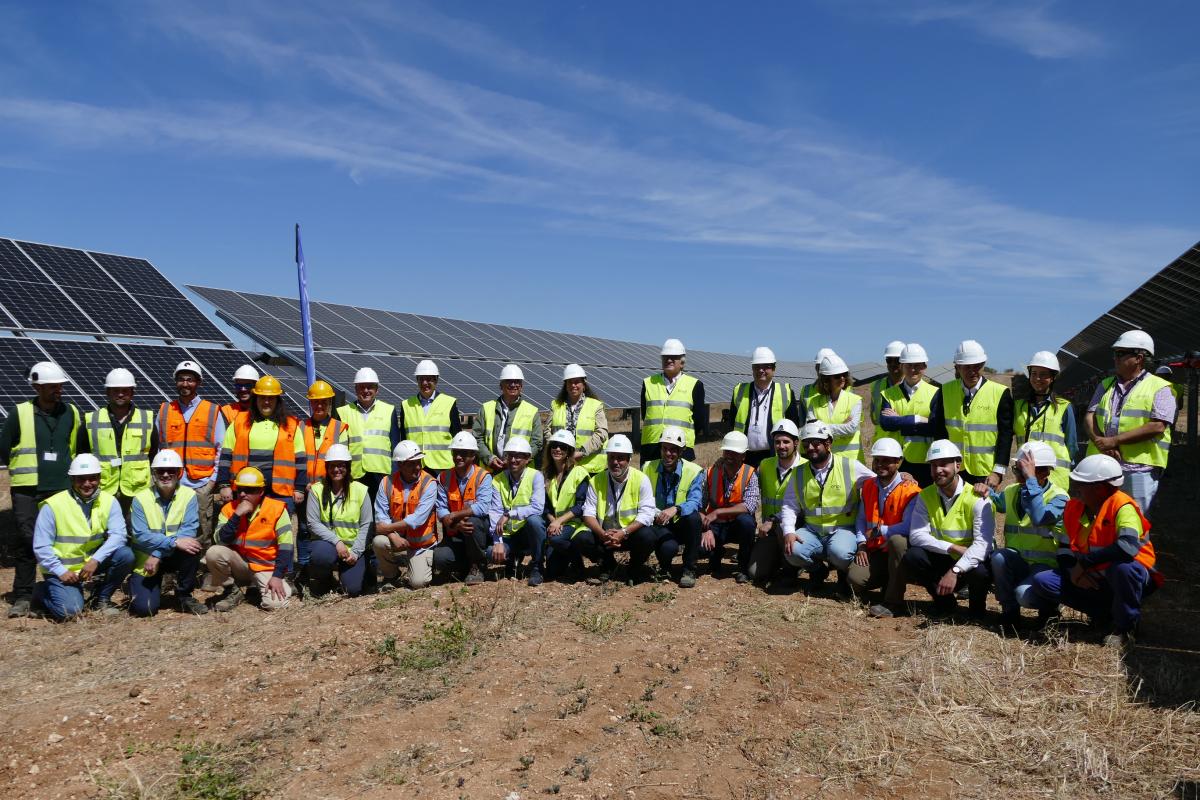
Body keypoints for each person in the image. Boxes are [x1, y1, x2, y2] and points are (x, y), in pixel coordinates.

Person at [1027, 454, 1159, 648]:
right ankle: (1103, 615)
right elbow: (1064, 549)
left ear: (1099, 488)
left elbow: (1128, 547)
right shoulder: (1073, 507)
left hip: (1130, 576)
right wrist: (1073, 571)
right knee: (1043, 581)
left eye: (1081, 483)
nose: (1075, 488)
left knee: (1123, 569)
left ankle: (1126, 627)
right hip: (1092, 577)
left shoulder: (1123, 506)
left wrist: (1084, 564)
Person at [1, 361, 88, 618]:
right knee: (28, 541)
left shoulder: (71, 412)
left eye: (59, 386)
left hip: (61, 488)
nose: (57, 390)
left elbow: (79, 448)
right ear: (37, 387)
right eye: (51, 386)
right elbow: (4, 447)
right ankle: (24, 595)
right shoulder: (21, 412)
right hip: (28, 488)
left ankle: (59, 585)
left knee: (62, 541)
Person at [30, 454, 132, 620]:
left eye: (92, 478)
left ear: (99, 478)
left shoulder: (109, 501)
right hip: (61, 569)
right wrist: (60, 571)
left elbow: (119, 535)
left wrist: (95, 560)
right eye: (81, 479)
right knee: (69, 612)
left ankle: (101, 599)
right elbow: (41, 547)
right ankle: (41, 591)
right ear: (72, 479)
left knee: (126, 555)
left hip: (89, 564)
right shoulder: (53, 506)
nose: (87, 484)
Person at [901, 439, 994, 618]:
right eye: (933, 465)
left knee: (981, 570)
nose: (938, 470)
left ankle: (977, 611)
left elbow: (983, 546)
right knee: (914, 556)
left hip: (969, 561)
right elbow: (917, 536)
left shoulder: (977, 498)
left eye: (943, 464)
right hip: (944, 557)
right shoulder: (925, 495)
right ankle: (944, 603)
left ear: (957, 465)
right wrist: (951, 547)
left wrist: (955, 570)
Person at [1084, 330, 1174, 514]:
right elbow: (1089, 416)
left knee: (1134, 525)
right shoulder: (1106, 384)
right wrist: (1100, 442)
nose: (1115, 359)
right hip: (1103, 466)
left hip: (1138, 470)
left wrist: (1114, 441)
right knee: (1101, 521)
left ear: (1139, 358)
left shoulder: (1160, 387)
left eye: (1120, 354)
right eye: (1115, 354)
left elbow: (1157, 425)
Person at [780, 422, 874, 592]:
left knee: (840, 553)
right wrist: (788, 531)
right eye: (806, 443)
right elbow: (789, 505)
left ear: (828, 443)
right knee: (791, 551)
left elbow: (878, 482)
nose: (811, 448)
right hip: (812, 531)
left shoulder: (849, 466)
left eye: (816, 443)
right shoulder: (798, 473)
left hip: (843, 530)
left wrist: (901, 476)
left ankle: (843, 575)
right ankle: (818, 571)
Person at [988, 442, 1069, 629]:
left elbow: (1040, 516)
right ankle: (1009, 613)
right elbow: (999, 503)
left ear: (1044, 473)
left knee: (1023, 594)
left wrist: (1030, 479)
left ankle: (1049, 610)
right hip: (1019, 562)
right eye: (1018, 470)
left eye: (1023, 470)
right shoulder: (1012, 491)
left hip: (1045, 569)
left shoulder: (1059, 497)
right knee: (998, 557)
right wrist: (986, 491)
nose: (1018, 476)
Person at [216, 376, 302, 549]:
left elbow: (301, 460)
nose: (266, 402)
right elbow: (226, 455)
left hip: (280, 491)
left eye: (271, 398)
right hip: (246, 490)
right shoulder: (239, 422)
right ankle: (245, 568)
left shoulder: (292, 424)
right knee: (246, 530)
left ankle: (282, 570)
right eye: (262, 397)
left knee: (280, 533)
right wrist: (224, 484)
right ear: (256, 398)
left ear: (278, 400)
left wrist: (299, 487)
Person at [128, 450, 207, 616]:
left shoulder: (189, 496)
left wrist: (158, 553)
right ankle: (140, 584)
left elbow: (189, 530)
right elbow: (141, 536)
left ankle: (184, 596)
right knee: (145, 609)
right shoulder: (140, 499)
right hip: (146, 562)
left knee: (192, 547)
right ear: (154, 473)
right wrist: (172, 542)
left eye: (171, 470)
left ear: (179, 473)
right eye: (160, 470)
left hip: (165, 555)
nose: (165, 474)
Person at [928, 340, 1014, 493]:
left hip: (985, 472)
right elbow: (940, 432)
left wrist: (998, 472)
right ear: (957, 367)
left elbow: (1005, 436)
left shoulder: (1000, 393)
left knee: (982, 515)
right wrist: (941, 464)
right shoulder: (945, 391)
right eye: (967, 367)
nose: (972, 371)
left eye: (977, 366)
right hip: (953, 470)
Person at [156, 360, 225, 548]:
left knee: (203, 530)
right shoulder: (164, 410)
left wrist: (212, 483)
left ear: (198, 383)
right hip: (172, 483)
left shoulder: (212, 410)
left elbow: (221, 449)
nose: (185, 384)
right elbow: (158, 448)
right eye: (181, 379)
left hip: (201, 483)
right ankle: (173, 571)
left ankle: (202, 569)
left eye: (190, 380)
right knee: (172, 527)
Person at [208, 467, 294, 611]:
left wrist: (277, 576)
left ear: (261, 491)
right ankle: (232, 591)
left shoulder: (277, 509)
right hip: (240, 565)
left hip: (265, 566)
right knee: (213, 553)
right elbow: (221, 540)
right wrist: (237, 516)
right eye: (240, 489)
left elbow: (286, 547)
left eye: (249, 490)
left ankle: (270, 587)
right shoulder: (229, 509)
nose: (242, 494)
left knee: (275, 605)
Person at [852, 438, 920, 618]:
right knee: (855, 580)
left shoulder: (910, 490)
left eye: (887, 461)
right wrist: (861, 544)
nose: (880, 464)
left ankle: (893, 602)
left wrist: (879, 531)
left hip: (900, 550)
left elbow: (907, 527)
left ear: (898, 462)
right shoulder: (868, 485)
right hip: (876, 549)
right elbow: (860, 519)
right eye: (877, 460)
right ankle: (890, 580)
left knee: (897, 541)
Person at [579, 435, 656, 584]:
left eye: (620, 458)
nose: (615, 462)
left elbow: (647, 514)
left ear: (629, 459)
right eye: (611, 457)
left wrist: (624, 532)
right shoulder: (596, 480)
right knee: (581, 539)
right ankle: (607, 565)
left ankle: (634, 568)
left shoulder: (641, 479)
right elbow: (587, 513)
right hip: (605, 536)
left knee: (648, 537)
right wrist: (602, 534)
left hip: (629, 534)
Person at [85, 367, 156, 520]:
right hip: (103, 487)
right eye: (115, 390)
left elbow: (153, 454)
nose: (120, 394)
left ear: (132, 392)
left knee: (135, 530)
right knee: (103, 529)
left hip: (137, 488)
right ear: (108, 392)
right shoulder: (92, 419)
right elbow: (83, 453)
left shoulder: (147, 419)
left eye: (125, 390)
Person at [638, 426, 705, 587]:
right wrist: (657, 513)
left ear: (681, 452)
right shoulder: (647, 468)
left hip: (681, 521)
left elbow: (695, 501)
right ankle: (665, 566)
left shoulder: (694, 471)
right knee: (668, 549)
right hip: (659, 523)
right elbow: (641, 499)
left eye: (673, 450)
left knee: (694, 518)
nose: (668, 454)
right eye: (665, 449)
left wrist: (676, 509)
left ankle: (689, 569)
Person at [306, 444, 372, 597]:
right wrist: (336, 541)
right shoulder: (317, 490)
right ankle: (325, 579)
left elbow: (366, 525)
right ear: (327, 467)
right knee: (320, 556)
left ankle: (362, 570)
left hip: (353, 548)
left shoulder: (361, 490)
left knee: (353, 590)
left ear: (348, 467)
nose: (336, 470)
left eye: (341, 465)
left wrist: (354, 553)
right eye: (332, 466)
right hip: (328, 546)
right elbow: (312, 523)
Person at [746, 420, 806, 586]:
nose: (781, 446)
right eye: (777, 442)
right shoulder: (765, 465)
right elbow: (749, 487)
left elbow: (803, 506)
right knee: (754, 573)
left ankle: (791, 568)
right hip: (769, 532)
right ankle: (781, 559)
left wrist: (773, 519)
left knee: (782, 528)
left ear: (796, 443)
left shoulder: (806, 467)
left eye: (786, 442)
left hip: (795, 528)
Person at [373, 441, 439, 590]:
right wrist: (392, 535)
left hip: (421, 544)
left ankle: (421, 564)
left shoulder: (429, 483)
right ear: (400, 465)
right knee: (379, 542)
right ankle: (391, 575)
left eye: (418, 462)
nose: (417, 467)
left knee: (418, 583)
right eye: (411, 464)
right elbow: (381, 515)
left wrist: (387, 528)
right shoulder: (386, 483)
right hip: (396, 537)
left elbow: (418, 519)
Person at [432, 432, 494, 585]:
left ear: (473, 455)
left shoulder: (483, 476)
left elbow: (483, 506)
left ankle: (477, 566)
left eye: (463, 453)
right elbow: (440, 508)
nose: (458, 457)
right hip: (455, 531)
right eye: (455, 452)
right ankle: (465, 566)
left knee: (472, 521)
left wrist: (456, 515)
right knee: (440, 557)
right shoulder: (444, 477)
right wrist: (453, 522)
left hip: (478, 531)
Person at [487, 436, 547, 586]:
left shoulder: (536, 476)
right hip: (508, 536)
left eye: (518, 456)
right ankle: (512, 559)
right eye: (510, 456)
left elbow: (537, 507)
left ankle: (537, 566)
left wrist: (509, 514)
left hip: (527, 534)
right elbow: (494, 511)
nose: (513, 460)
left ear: (527, 459)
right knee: (491, 553)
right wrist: (498, 542)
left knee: (535, 520)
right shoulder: (497, 480)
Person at [700, 431, 759, 584]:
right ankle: (716, 552)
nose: (729, 455)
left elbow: (749, 505)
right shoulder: (710, 472)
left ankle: (743, 567)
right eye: (727, 451)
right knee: (700, 550)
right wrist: (705, 530)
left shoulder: (750, 474)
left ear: (743, 455)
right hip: (715, 526)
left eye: (735, 452)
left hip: (736, 526)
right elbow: (700, 505)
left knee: (746, 522)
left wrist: (718, 511)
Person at [336, 367, 400, 503]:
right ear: (355, 388)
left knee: (380, 516)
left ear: (377, 389)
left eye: (370, 387)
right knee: (356, 514)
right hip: (354, 474)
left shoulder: (389, 410)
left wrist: (394, 475)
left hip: (382, 474)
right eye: (361, 387)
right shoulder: (343, 412)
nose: (365, 391)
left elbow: (395, 446)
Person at [877, 343, 938, 487]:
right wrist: (919, 419)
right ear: (902, 365)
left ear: (925, 366)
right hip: (895, 461)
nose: (913, 369)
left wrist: (899, 421)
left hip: (924, 461)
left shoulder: (936, 393)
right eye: (908, 365)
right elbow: (886, 423)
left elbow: (934, 427)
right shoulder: (888, 394)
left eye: (918, 365)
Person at [1014, 352, 1076, 491]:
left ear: (1053, 377)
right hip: (1026, 476)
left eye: (1043, 374)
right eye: (1034, 373)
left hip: (1055, 479)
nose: (1037, 378)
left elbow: (1071, 446)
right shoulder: (1019, 407)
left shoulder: (1064, 407)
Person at [730, 347, 800, 468]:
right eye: (757, 366)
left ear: (773, 369)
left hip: (774, 455)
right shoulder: (740, 390)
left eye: (766, 366)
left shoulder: (785, 392)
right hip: (745, 456)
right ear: (752, 369)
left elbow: (793, 425)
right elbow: (732, 421)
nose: (761, 370)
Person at [640, 339, 706, 462]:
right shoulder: (648, 383)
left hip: (681, 448)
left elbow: (699, 421)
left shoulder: (695, 385)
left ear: (682, 362)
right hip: (651, 448)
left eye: (673, 357)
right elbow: (645, 415)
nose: (669, 360)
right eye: (665, 357)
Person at [541, 429, 593, 581]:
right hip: (555, 524)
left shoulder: (579, 473)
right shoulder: (546, 474)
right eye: (554, 445)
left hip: (574, 523)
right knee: (552, 572)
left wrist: (559, 521)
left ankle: (578, 563)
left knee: (556, 540)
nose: (557, 449)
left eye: (562, 447)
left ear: (569, 451)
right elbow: (545, 506)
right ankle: (564, 558)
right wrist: (553, 522)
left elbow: (580, 505)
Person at [474, 364, 544, 471]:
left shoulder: (532, 411)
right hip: (490, 470)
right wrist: (490, 459)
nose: (513, 385)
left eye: (517, 381)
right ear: (501, 385)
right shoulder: (486, 408)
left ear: (521, 386)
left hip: (519, 473)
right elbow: (477, 437)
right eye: (509, 381)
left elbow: (537, 443)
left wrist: (517, 460)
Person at [399, 360, 462, 476]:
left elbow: (457, 437)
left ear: (436, 380)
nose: (425, 383)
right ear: (417, 380)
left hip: (443, 467)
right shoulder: (406, 405)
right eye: (421, 379)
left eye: (429, 379)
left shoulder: (449, 403)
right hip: (415, 467)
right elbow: (403, 438)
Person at [549, 364, 609, 474]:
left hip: (589, 468)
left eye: (577, 382)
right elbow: (548, 432)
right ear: (565, 385)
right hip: (562, 467)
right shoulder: (555, 405)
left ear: (584, 385)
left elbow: (602, 433)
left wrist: (581, 452)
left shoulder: (596, 405)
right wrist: (556, 453)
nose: (573, 385)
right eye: (570, 382)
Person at [805, 354, 864, 463]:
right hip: (824, 461)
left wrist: (822, 426)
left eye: (844, 374)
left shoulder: (855, 400)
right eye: (837, 376)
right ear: (826, 380)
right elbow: (811, 431)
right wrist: (842, 426)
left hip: (851, 461)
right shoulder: (813, 402)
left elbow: (851, 429)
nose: (842, 378)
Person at [868, 341, 906, 427]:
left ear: (904, 361)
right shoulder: (876, 385)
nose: (892, 364)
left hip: (904, 438)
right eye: (889, 360)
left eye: (897, 360)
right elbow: (874, 417)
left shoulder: (912, 385)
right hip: (882, 438)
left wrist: (898, 420)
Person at [798, 348, 837, 419]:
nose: (824, 371)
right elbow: (801, 420)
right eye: (821, 367)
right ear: (816, 368)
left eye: (827, 368)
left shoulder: (846, 389)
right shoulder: (806, 390)